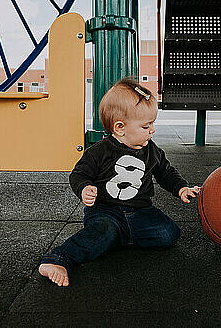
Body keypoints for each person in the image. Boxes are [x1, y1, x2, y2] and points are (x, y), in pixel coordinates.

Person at [39, 78, 201, 286]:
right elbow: (78, 174)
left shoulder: (152, 150)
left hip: (141, 211)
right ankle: (59, 259)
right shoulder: (100, 151)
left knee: (168, 233)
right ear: (120, 128)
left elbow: (166, 173)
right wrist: (84, 188)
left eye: (152, 124)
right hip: (106, 211)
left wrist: (181, 187)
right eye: (145, 126)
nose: (152, 130)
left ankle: (119, 237)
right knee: (103, 231)